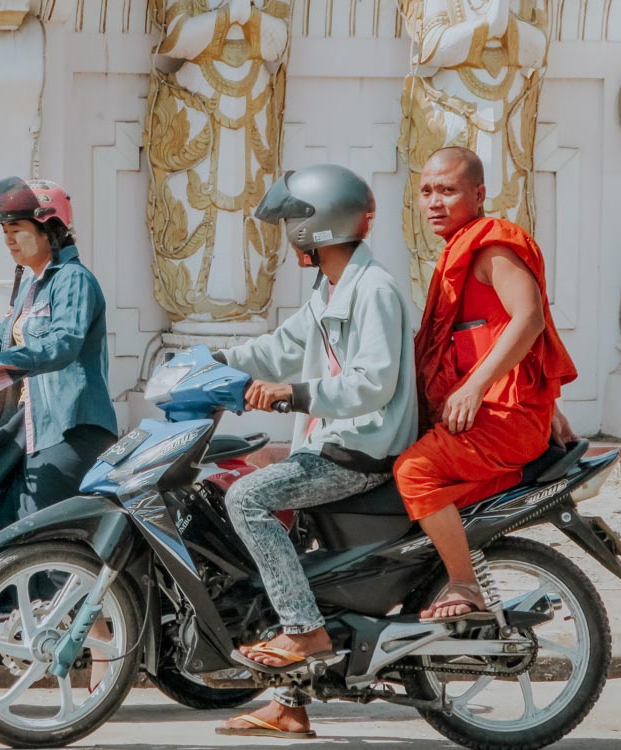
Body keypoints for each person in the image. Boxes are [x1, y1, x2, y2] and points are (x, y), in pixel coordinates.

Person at [214, 164, 418, 740]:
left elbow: (373, 382)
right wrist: (216, 361)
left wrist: (294, 394)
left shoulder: (372, 290)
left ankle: (304, 630)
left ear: (315, 226)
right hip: (331, 442)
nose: (286, 236)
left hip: (358, 449)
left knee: (250, 499)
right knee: (289, 556)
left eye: (290, 224)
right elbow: (282, 347)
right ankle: (288, 705)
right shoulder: (333, 285)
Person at [0, 177, 118, 690]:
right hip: (31, 430)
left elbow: (62, 344)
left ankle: (104, 646)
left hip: (72, 429)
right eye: (5, 233)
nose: (10, 241)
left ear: (51, 229)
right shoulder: (34, 286)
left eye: (18, 229)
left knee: (40, 535)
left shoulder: (74, 281)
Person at [394, 147, 578, 623]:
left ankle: (463, 583)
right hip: (491, 415)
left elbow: (529, 318)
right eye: (427, 191)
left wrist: (475, 387)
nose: (435, 201)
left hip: (495, 419)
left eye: (448, 190)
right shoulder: (457, 250)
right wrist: (547, 403)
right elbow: (492, 336)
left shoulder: (493, 246)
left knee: (414, 472)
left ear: (478, 195)